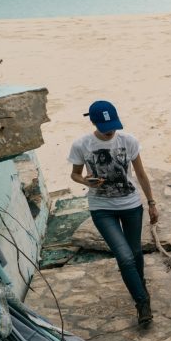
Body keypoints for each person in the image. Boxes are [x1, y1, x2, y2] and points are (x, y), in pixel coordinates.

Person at [68, 100, 159, 325]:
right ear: (93, 122)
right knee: (125, 257)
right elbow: (75, 175)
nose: (110, 132)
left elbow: (141, 174)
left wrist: (151, 202)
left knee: (136, 253)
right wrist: (87, 181)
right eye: (105, 128)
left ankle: (139, 285)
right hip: (102, 208)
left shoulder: (128, 141)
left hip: (131, 205)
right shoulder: (81, 145)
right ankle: (142, 302)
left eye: (113, 127)